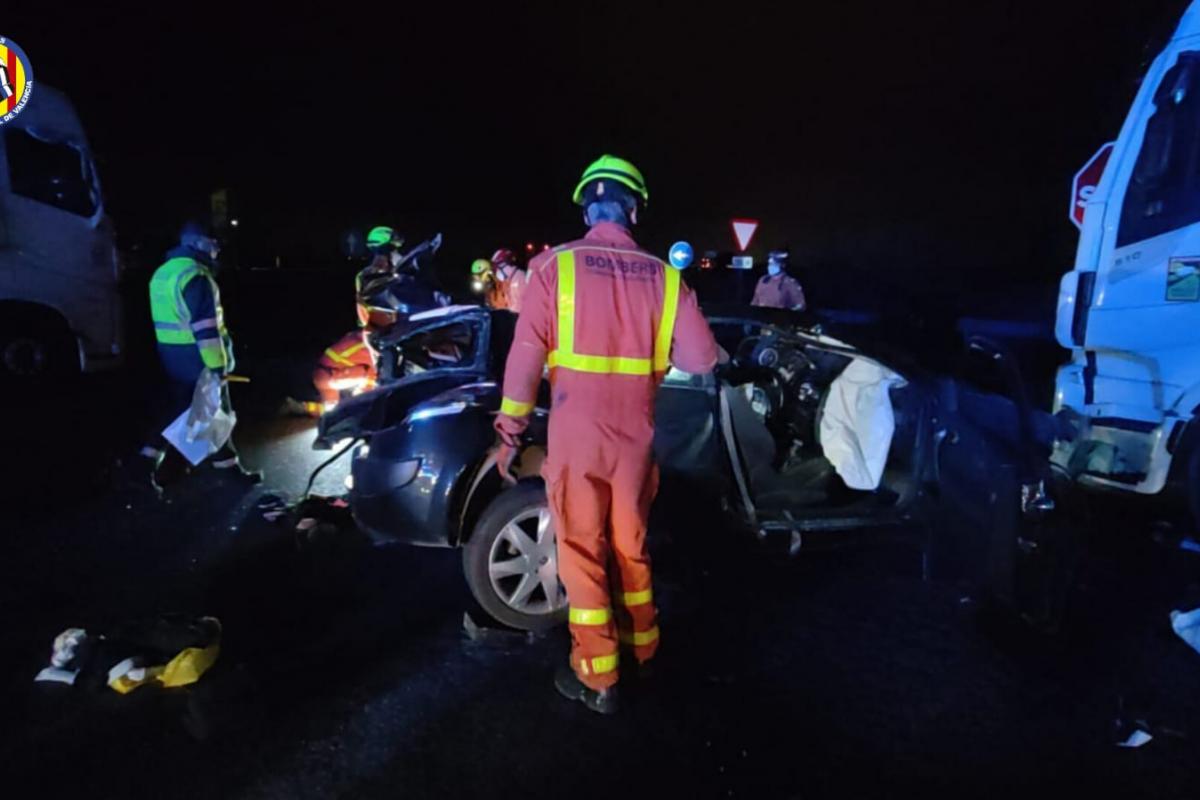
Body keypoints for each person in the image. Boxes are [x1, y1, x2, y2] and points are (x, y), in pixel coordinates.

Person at [494, 155, 719, 714]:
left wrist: (510, 433)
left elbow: (525, 361)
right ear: (634, 210)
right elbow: (702, 359)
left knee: (580, 551)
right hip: (635, 441)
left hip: (577, 437)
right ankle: (643, 649)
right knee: (630, 546)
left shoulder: (553, 268)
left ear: (586, 210)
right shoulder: (667, 278)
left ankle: (598, 676)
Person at [147, 221, 259, 490]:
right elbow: (206, 330)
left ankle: (146, 464)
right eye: (213, 243)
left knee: (183, 412)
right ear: (199, 243)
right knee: (216, 412)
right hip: (198, 358)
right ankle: (228, 473)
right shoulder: (195, 276)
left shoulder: (163, 272)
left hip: (171, 355)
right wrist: (218, 368)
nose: (217, 250)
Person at [282, 330, 377, 417]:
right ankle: (360, 407)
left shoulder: (355, 336)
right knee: (372, 372)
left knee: (332, 411)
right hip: (333, 377)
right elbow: (375, 369)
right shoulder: (369, 347)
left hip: (321, 376)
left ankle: (302, 407)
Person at [355, 225, 405, 331]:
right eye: (392, 248)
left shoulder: (401, 269)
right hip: (381, 329)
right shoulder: (366, 276)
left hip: (399, 325)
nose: (396, 252)